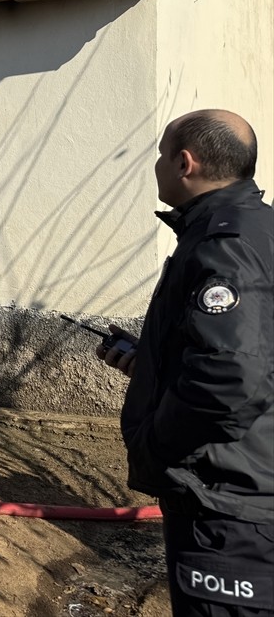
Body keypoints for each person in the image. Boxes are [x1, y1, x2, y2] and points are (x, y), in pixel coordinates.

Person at [97, 109, 272, 616]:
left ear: (184, 162)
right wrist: (151, 364)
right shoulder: (257, 231)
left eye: (159, 156)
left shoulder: (226, 246)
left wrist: (153, 446)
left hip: (227, 507)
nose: (155, 167)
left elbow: (230, 378)